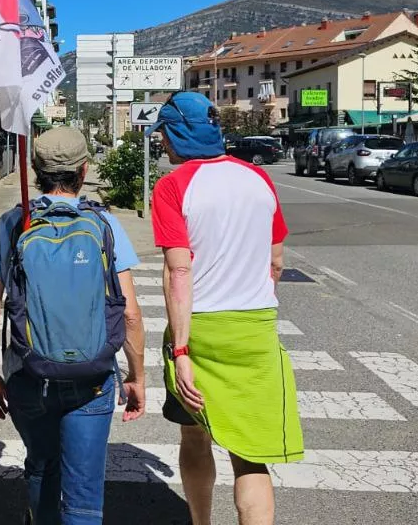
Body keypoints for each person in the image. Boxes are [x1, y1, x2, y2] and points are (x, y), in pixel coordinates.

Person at [0, 126, 146, 525]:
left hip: (28, 372)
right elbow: (131, 313)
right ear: (84, 171)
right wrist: (137, 376)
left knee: (42, 465)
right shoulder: (104, 224)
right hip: (94, 376)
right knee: (84, 491)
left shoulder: (14, 222)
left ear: (34, 169)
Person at [149, 91, 303, 525]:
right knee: (251, 456)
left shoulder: (173, 186)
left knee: (195, 437)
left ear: (178, 132)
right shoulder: (259, 179)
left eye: (164, 132)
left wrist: (180, 352)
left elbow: (179, 273)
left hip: (199, 330)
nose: (162, 141)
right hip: (253, 329)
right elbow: (275, 262)